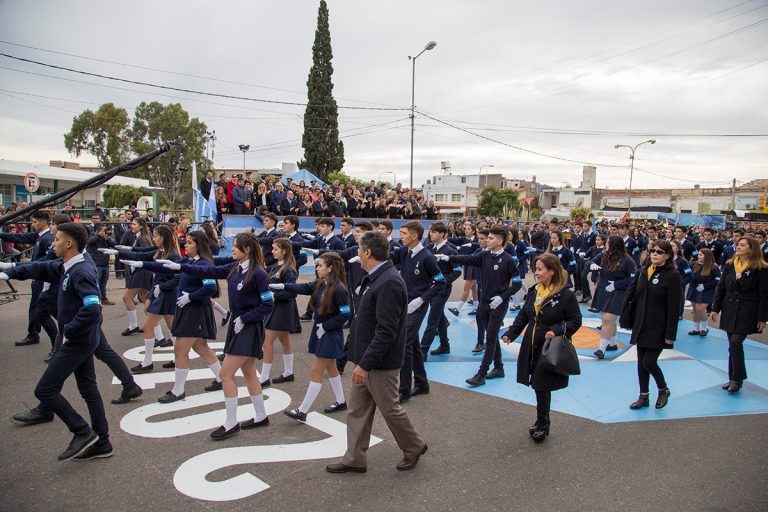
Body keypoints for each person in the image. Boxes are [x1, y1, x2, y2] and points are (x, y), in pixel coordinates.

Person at [0, 222, 111, 460]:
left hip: (77, 340)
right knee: (88, 389)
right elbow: (41, 267)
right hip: (83, 338)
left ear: (69, 243)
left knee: (45, 390)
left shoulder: (81, 271)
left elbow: (93, 308)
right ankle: (102, 441)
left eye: (57, 239)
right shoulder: (69, 265)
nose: (53, 243)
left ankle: (82, 432)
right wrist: (10, 269)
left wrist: (69, 330)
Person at [325, 231, 427, 474]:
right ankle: (354, 458)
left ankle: (414, 446)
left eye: (359, 249)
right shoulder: (374, 277)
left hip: (379, 363)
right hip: (366, 359)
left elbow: (386, 331)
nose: (357, 254)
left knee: (390, 408)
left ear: (368, 252)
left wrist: (366, 364)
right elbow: (363, 320)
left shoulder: (389, 281)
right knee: (357, 410)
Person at [165, 233, 274, 439]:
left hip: (248, 327)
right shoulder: (234, 267)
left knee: (225, 374)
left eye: (235, 246)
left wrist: (246, 318)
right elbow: (209, 270)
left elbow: (268, 304)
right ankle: (261, 415)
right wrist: (180, 267)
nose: (231, 249)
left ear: (247, 249)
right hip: (238, 325)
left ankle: (231, 422)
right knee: (249, 371)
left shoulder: (258, 274)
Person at [123, 230, 222, 402]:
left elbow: (211, 288)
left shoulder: (204, 264)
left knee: (180, 350)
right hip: (189, 309)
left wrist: (190, 296)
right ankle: (221, 378)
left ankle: (178, 390)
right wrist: (142, 264)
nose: (185, 245)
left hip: (195, 311)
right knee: (200, 346)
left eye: (190, 243)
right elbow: (164, 267)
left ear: (199, 245)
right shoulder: (190, 261)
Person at [502, 253, 582, 443]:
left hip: (549, 348)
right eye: (535, 268)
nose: (535, 273)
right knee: (537, 384)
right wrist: (511, 333)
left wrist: (557, 330)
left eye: (539, 269)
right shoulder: (535, 290)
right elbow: (524, 315)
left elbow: (575, 321)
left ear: (552, 271)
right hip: (531, 344)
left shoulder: (565, 295)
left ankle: (543, 423)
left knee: (541, 385)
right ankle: (542, 421)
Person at [438, 226, 522, 386]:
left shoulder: (508, 260)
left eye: (490, 238)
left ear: (500, 241)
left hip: (498, 304)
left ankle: (481, 373)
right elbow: (468, 259)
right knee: (491, 336)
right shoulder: (484, 255)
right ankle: (499, 367)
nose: (486, 240)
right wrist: (449, 258)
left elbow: (517, 284)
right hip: (484, 302)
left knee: (490, 337)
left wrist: (503, 297)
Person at [270, 252, 351, 420]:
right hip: (321, 331)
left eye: (320, 265)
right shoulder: (322, 283)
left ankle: (303, 410)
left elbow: (345, 314)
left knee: (316, 371)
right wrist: (284, 286)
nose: (317, 268)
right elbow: (304, 288)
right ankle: (341, 401)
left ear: (330, 268)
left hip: (329, 333)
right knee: (331, 368)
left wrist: (326, 326)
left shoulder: (339, 289)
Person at [105, 224, 181, 373]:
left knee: (148, 327)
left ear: (163, 237)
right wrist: (119, 252)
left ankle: (147, 362)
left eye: (156, 236)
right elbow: (142, 254)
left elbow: (178, 277)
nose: (153, 238)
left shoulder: (172, 255)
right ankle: (177, 357)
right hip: (160, 291)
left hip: (165, 293)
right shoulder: (161, 251)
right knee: (172, 327)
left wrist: (162, 287)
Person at [620, 240, 681, 410]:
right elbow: (631, 296)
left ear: (668, 256)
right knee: (641, 362)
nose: (654, 254)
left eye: (659, 252)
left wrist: (670, 334)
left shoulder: (672, 275)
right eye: (652, 250)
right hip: (641, 324)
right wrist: (626, 320)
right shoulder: (643, 272)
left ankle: (663, 389)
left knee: (649, 362)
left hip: (659, 327)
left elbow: (674, 307)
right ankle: (643, 395)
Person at [389, 221, 446, 401]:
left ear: (414, 236)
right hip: (404, 303)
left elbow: (440, 282)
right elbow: (388, 258)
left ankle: (404, 390)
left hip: (417, 305)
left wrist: (422, 299)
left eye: (404, 233)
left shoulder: (427, 257)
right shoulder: (405, 251)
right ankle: (421, 383)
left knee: (404, 344)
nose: (401, 236)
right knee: (412, 344)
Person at [710, 236, 768, 393]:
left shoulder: (761, 268)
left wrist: (762, 317)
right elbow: (721, 288)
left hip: (747, 310)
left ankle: (738, 378)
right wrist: (715, 308)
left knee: (736, 342)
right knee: (731, 345)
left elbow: (764, 294)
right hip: (729, 308)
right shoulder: (730, 266)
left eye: (742, 245)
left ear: (751, 248)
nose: (738, 247)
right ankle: (733, 377)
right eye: (738, 244)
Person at [0, 211, 56, 346]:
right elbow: (20, 238)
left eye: (35, 222)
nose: (33, 224)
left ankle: (42, 337)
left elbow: (43, 262)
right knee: (39, 308)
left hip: (42, 279)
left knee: (41, 309)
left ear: (43, 222)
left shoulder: (47, 239)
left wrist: (15, 265)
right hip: (38, 277)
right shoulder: (40, 236)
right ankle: (35, 333)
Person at [259, 238, 299, 387]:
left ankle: (264, 377)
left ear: (284, 251)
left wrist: (274, 296)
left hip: (282, 309)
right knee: (284, 340)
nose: (272, 251)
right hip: (277, 308)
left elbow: (292, 292)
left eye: (275, 249)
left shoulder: (288, 269)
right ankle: (289, 372)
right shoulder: (277, 266)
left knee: (267, 341)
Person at [590, 235, 637, 358]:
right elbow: (591, 260)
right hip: (603, 290)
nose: (605, 245)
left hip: (617, 291)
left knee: (607, 319)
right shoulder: (605, 255)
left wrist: (617, 284)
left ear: (613, 245)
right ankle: (612, 344)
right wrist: (591, 265)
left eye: (608, 243)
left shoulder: (627, 260)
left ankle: (601, 349)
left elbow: (633, 278)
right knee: (608, 320)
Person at [421, 222, 462, 357]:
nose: (431, 233)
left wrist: (443, 281)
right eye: (430, 231)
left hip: (442, 289)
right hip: (430, 288)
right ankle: (445, 345)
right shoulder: (428, 248)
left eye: (434, 231)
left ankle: (423, 350)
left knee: (432, 319)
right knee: (439, 317)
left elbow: (457, 271)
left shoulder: (451, 250)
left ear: (443, 234)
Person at [119, 218, 153, 336]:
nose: (131, 226)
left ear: (141, 226)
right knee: (144, 298)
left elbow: (144, 254)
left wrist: (130, 255)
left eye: (134, 224)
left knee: (127, 297)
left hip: (141, 271)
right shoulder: (140, 238)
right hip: (142, 270)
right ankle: (151, 325)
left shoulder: (142, 238)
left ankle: (133, 325)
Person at [687, 248, 721, 336]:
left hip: (706, 290)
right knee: (695, 309)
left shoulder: (713, 266)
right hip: (694, 288)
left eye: (701, 255)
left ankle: (704, 328)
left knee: (700, 309)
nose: (699, 256)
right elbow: (688, 274)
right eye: (698, 254)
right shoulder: (694, 264)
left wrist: (705, 286)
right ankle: (696, 329)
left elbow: (718, 279)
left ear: (707, 256)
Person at [86, 224, 116, 305]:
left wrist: (107, 239)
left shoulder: (106, 240)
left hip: (105, 264)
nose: (104, 232)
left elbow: (114, 245)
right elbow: (89, 242)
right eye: (102, 231)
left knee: (103, 283)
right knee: (97, 283)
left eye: (104, 231)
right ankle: (97, 299)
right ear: (97, 231)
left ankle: (104, 298)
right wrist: (98, 236)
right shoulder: (93, 239)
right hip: (97, 264)